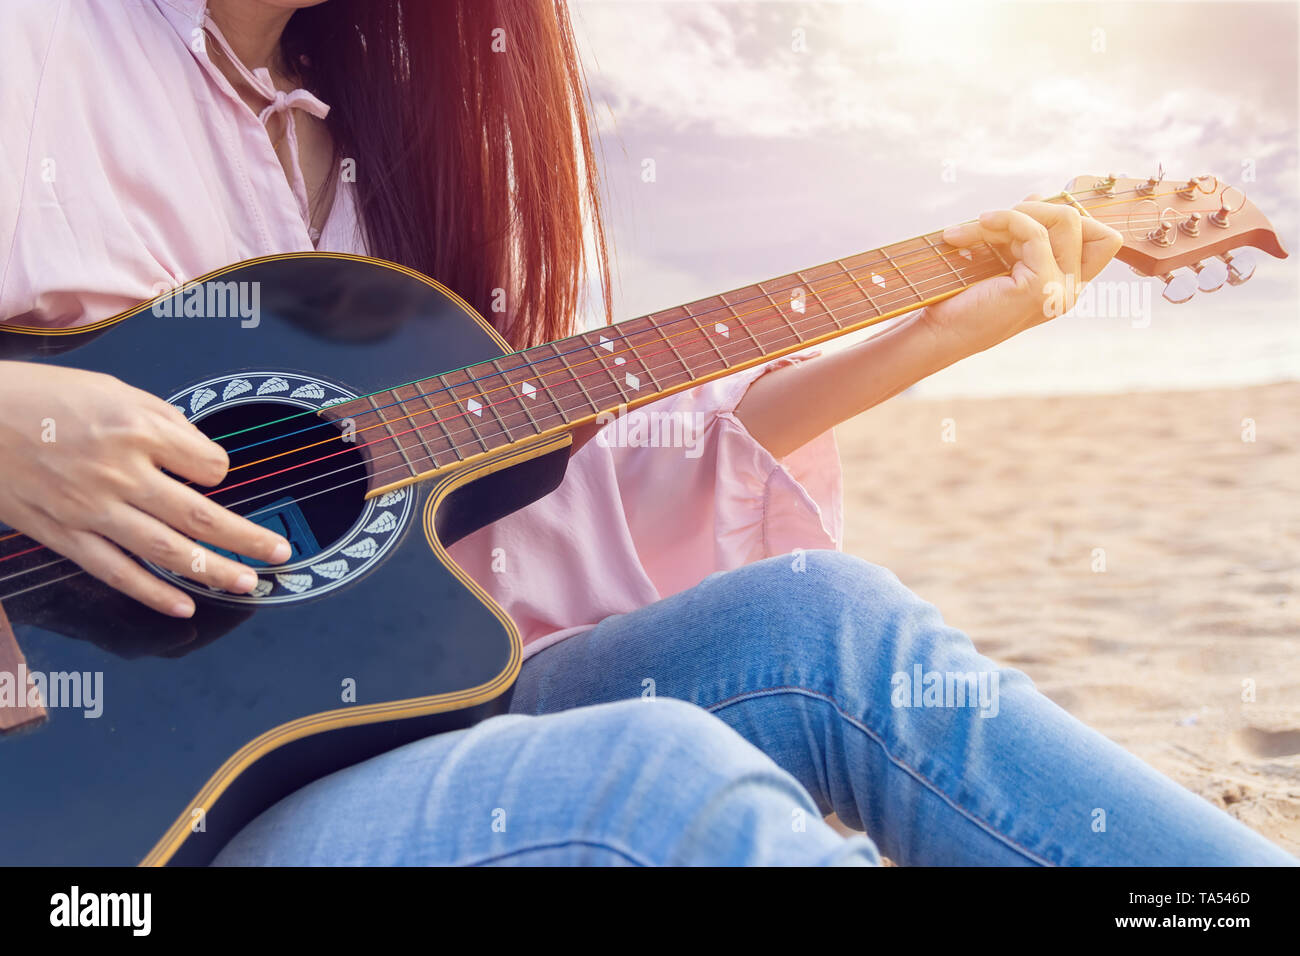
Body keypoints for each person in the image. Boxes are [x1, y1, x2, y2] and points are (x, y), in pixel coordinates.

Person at [1, 0, 1292, 866]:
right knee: (651, 776)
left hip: (333, 746)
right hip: (124, 838)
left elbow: (550, 496)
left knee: (814, 621)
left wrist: (937, 329)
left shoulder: (380, 148)